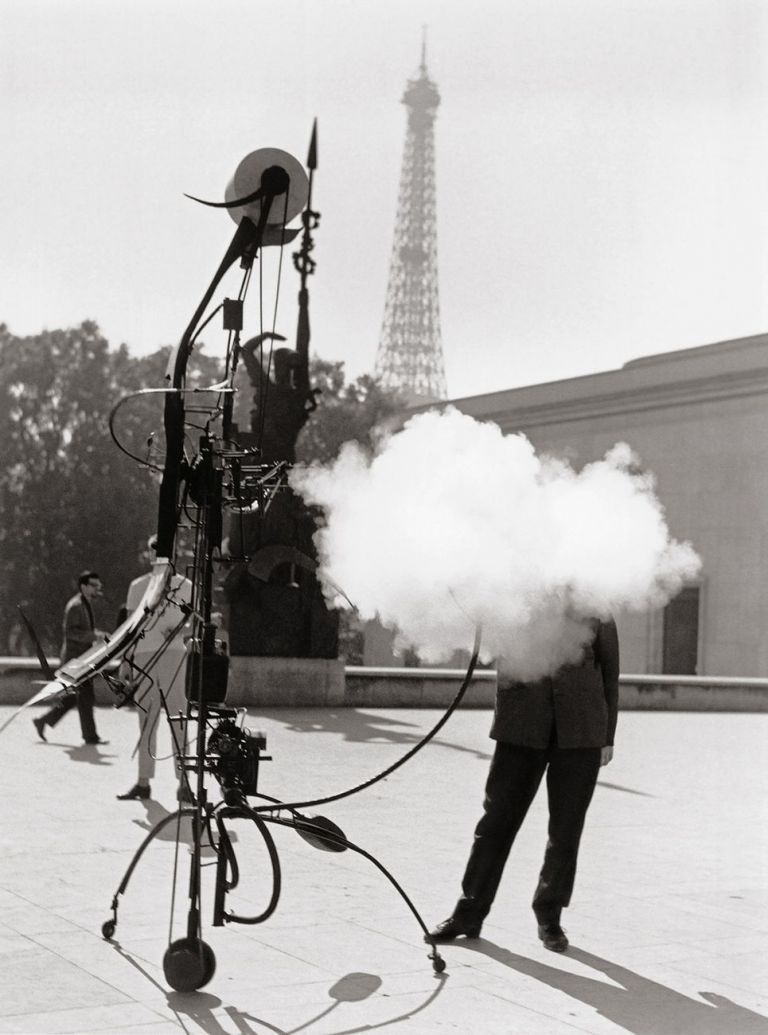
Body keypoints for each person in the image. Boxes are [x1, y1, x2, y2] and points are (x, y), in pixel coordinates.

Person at [429, 616, 619, 953]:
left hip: (581, 732)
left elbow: (610, 672)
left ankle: (550, 915)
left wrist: (607, 737)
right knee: (495, 824)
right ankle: (469, 912)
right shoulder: (514, 591)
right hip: (520, 727)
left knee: (565, 831)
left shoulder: (596, 593)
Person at [116, 539, 193, 802]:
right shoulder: (138, 587)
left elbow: (194, 626)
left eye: (167, 552)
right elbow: (129, 629)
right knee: (146, 722)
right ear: (149, 554)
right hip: (143, 658)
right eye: (156, 551)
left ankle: (184, 784)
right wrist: (125, 663)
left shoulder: (186, 587)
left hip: (173, 656)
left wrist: (180, 631)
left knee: (178, 720)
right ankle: (143, 782)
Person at [33, 571, 108, 745]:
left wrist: (96, 635)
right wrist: (95, 636)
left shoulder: (83, 603)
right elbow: (71, 633)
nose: (98, 589)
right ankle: (90, 737)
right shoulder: (76, 606)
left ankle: (43, 721)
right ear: (84, 587)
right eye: (94, 586)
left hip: (80, 660)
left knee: (74, 698)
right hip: (75, 661)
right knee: (86, 696)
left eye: (99, 585)